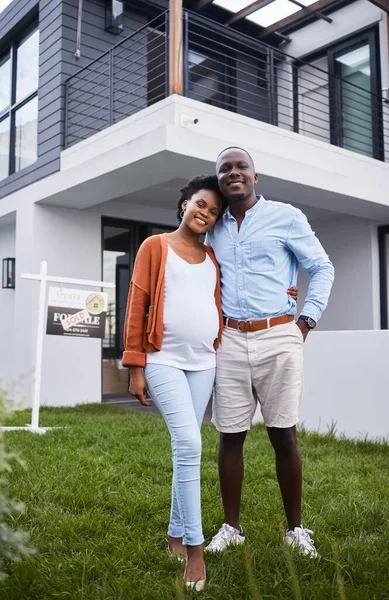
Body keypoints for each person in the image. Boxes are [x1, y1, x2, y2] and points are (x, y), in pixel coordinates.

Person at [122, 174, 298, 590]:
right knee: (189, 443)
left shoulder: (212, 257)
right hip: (163, 360)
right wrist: (134, 366)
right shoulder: (155, 247)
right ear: (184, 205)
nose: (206, 213)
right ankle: (195, 550)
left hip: (204, 363)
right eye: (200, 204)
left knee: (186, 447)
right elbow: (137, 304)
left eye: (214, 211)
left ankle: (173, 534)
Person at [205, 147, 335, 558]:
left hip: (279, 335)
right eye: (225, 169)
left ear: (255, 176)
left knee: (284, 434)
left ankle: (296, 529)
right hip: (228, 339)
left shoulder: (286, 216)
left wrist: (306, 320)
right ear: (220, 180)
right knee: (230, 436)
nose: (233, 173)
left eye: (240, 166)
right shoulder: (212, 226)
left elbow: (323, 266)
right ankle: (231, 527)